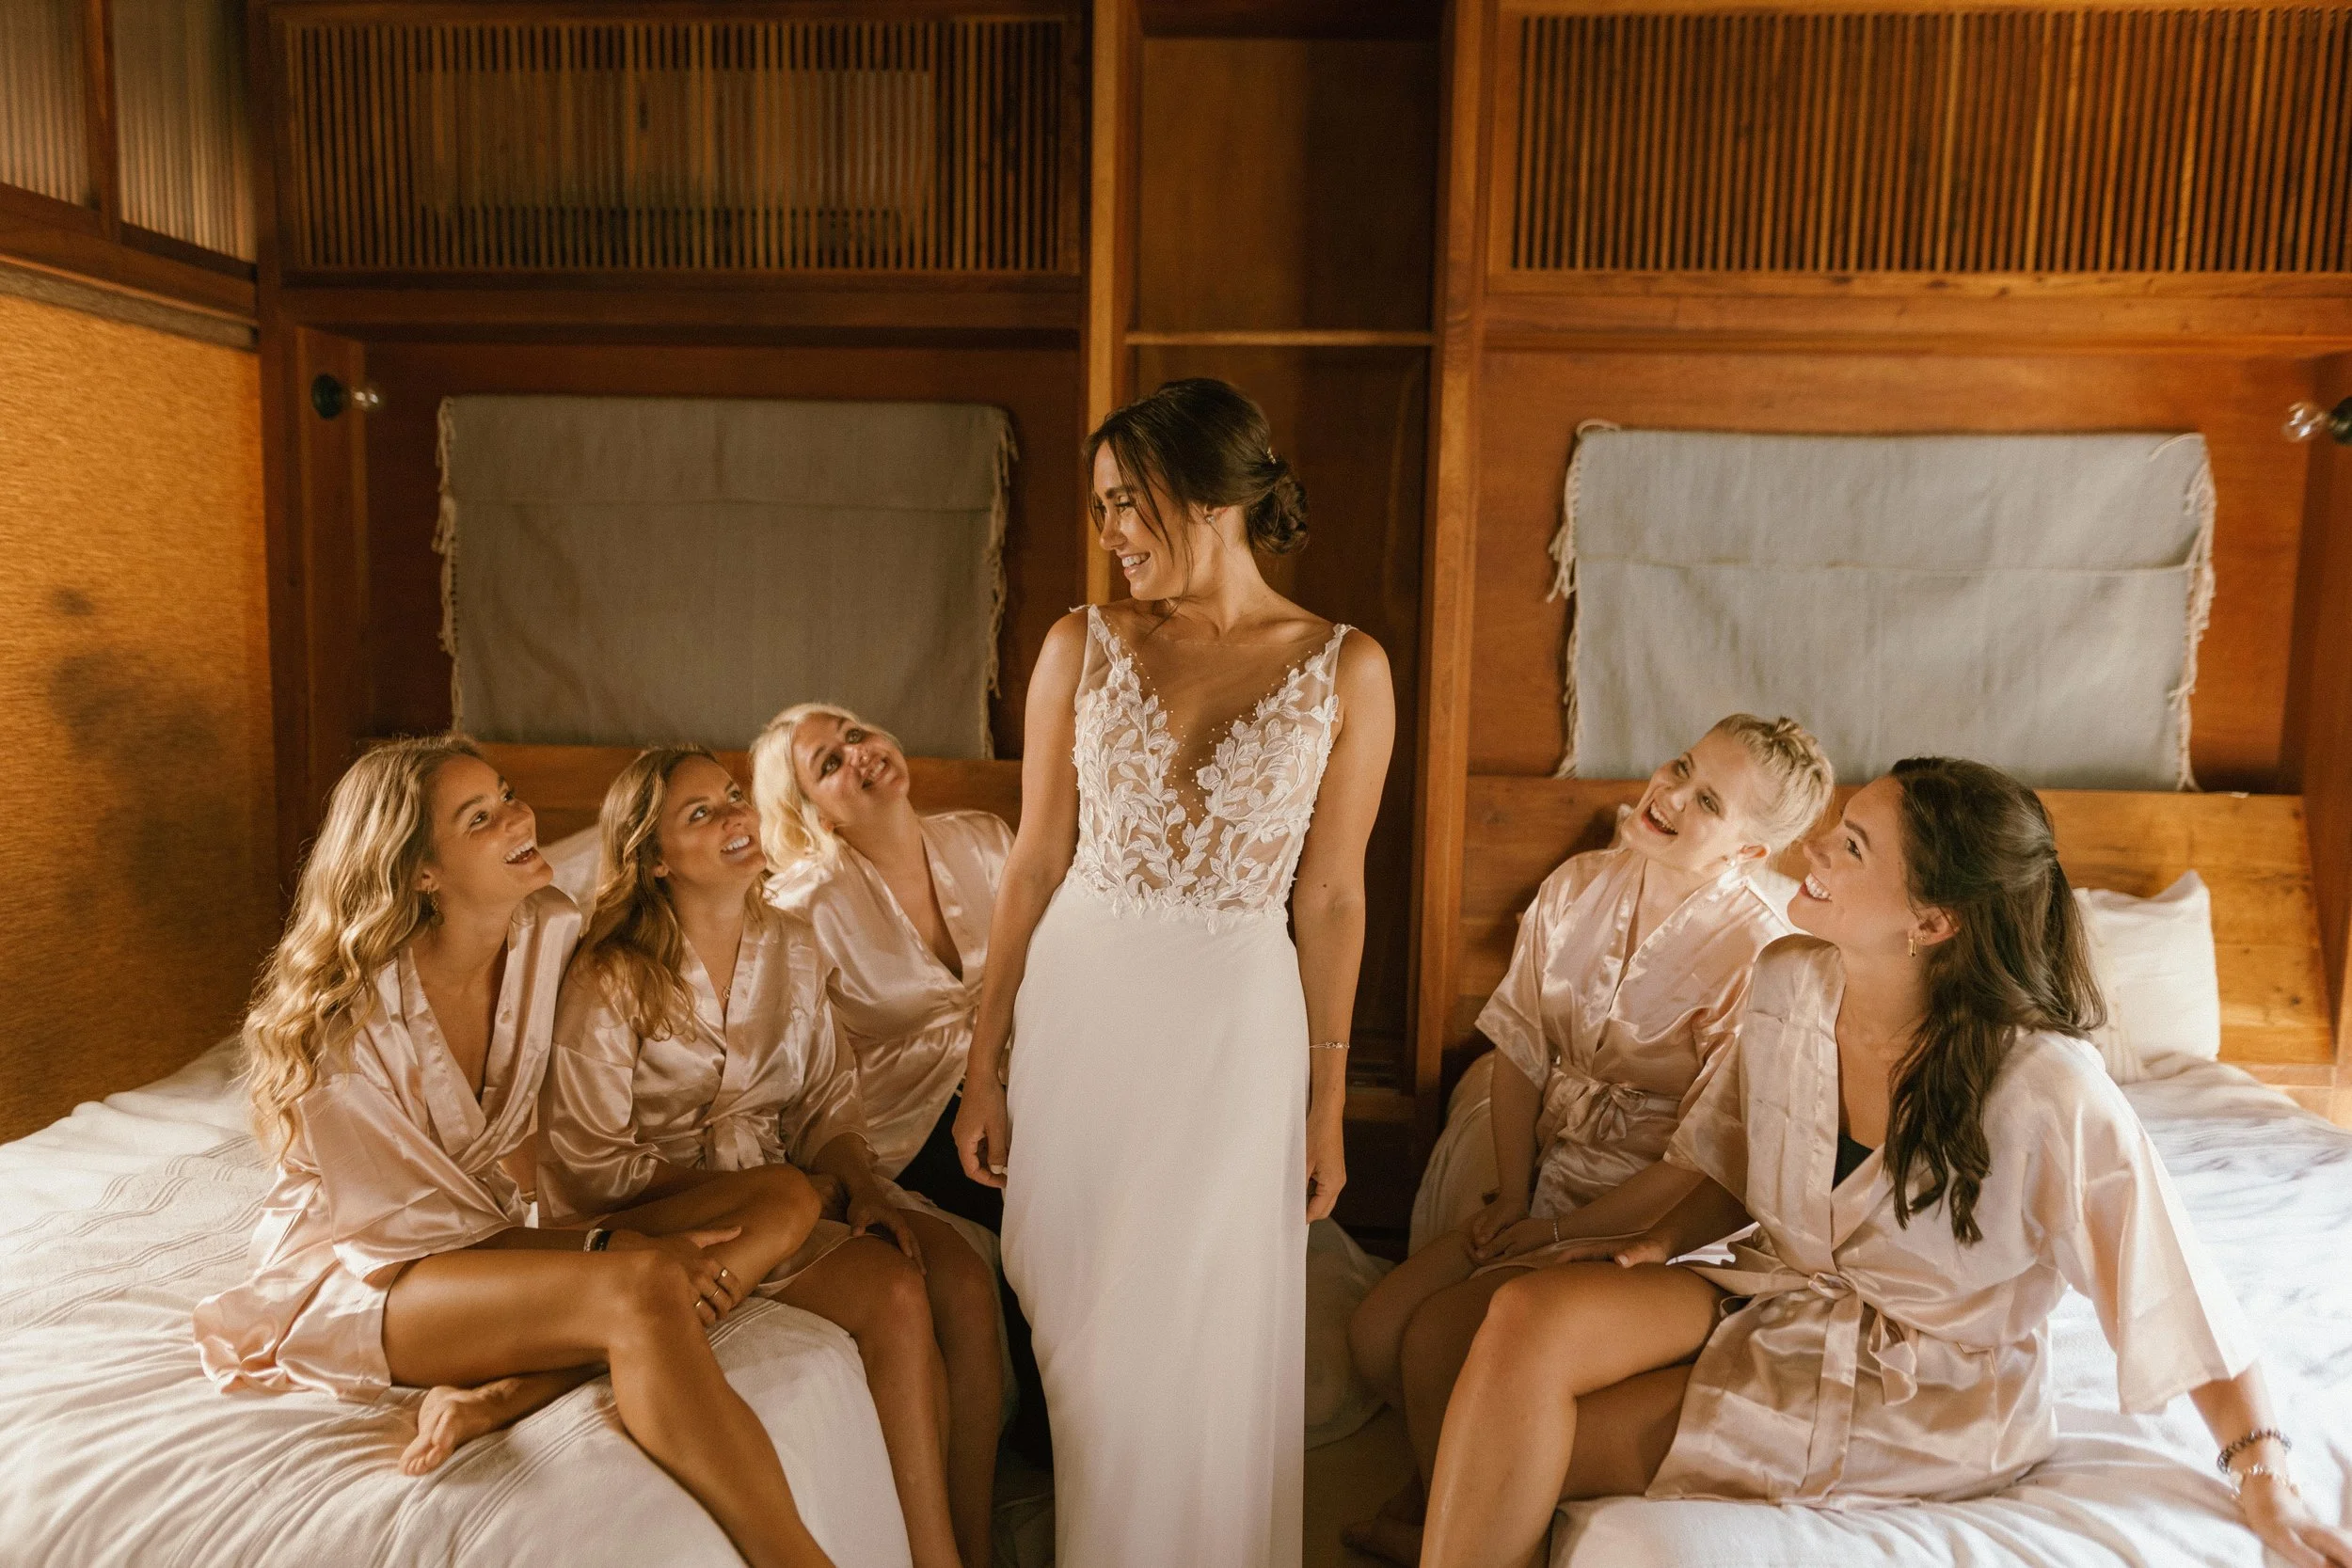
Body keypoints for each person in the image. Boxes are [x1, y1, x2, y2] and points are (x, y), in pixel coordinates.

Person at [1418, 757, 2352, 1568]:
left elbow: (2174, 1291)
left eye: (1854, 845)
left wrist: (2262, 1470)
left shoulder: (2043, 1087)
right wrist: (1655, 1239)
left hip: (1929, 1390)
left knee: (1541, 1443)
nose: (1817, 844)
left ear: (1932, 919)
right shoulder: (1788, 978)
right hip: (1776, 1286)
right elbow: (1735, 1159)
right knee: (1522, 1315)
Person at [193, 736, 836, 1568]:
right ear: (421, 871)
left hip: (486, 1242)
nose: (520, 816)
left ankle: (511, 1390)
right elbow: (404, 1237)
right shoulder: (348, 1019)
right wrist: (616, 1245)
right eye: (481, 818)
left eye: (506, 793)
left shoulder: (546, 930)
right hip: (369, 1278)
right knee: (643, 1284)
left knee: (783, 1194)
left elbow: (645, 965)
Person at [952, 376, 1395, 1567]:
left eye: (1123, 503)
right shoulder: (1078, 642)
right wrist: (982, 1061)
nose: (1109, 534)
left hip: (1234, 1026)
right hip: (1083, 1010)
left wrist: (1325, 1095)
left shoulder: (1346, 666)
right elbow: (1035, 857)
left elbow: (1334, 892)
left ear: (1204, 495)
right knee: (1086, 1337)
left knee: (1196, 1332)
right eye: (1099, 510)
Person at [1342, 715, 1831, 1564]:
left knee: (1434, 1339)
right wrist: (1513, 1192)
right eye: (1680, 765)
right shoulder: (1578, 882)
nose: (1669, 793)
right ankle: (1447, 1486)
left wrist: (1565, 1234)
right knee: (1376, 1331)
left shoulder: (1762, 952)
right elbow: (1521, 1049)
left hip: (1657, 1218)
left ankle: (1449, 1520)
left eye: (1707, 800)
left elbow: (1702, 1162)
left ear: (1750, 853)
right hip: (1545, 1175)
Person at [539, 746, 998, 1568]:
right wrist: (769, 1189)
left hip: (800, 1185)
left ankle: (977, 1544)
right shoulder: (610, 977)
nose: (736, 818)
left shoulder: (791, 942)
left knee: (962, 1277)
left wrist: (862, 1188)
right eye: (701, 813)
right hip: (668, 1208)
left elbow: (825, 1100)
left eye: (734, 798)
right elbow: (588, 1164)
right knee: (894, 1293)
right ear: (651, 857)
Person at [752, 702, 1046, 1464]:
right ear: (809, 810)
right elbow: (799, 1070)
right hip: (906, 1123)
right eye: (827, 763)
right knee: (1042, 1194)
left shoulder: (985, 838)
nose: (857, 754)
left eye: (854, 733)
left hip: (1023, 1077)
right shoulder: (801, 905)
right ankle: (1055, 1429)